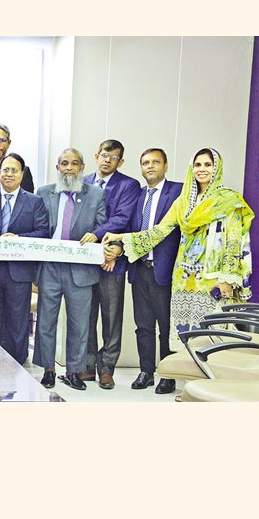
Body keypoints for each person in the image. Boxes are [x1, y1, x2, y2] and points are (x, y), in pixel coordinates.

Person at [103, 147, 254, 389]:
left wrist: (227, 278)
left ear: (217, 168)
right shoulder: (184, 202)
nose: (202, 169)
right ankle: (185, 382)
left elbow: (234, 242)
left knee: (211, 333)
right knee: (185, 332)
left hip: (212, 279)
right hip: (184, 278)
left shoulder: (228, 200)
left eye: (208, 165)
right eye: (198, 165)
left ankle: (211, 387)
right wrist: (122, 239)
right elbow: (160, 231)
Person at [103, 148, 183, 394]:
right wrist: (117, 249)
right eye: (145, 162)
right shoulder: (136, 195)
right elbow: (127, 228)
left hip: (165, 272)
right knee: (144, 326)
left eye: (156, 162)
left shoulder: (178, 192)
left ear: (165, 166)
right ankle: (146, 372)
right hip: (139, 270)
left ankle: (167, 375)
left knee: (166, 328)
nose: (150, 166)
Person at [34, 148, 106, 391]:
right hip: (50, 268)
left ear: (82, 167)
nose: (69, 168)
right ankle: (48, 370)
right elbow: (38, 228)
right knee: (46, 321)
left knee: (79, 324)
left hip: (81, 270)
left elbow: (102, 226)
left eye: (74, 164)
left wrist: (96, 235)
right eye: (64, 163)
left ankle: (74, 371)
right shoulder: (44, 193)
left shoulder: (96, 194)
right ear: (58, 167)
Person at [0, 153, 49, 364]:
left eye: (14, 170)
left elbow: (43, 233)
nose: (9, 174)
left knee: (17, 323)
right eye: (5, 170)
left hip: (19, 273)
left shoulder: (35, 201)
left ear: (22, 174)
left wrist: (19, 239)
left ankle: (17, 365)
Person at [81, 139, 141, 389]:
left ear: (121, 161)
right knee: (85, 316)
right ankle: (86, 366)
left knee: (111, 318)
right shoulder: (82, 181)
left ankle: (106, 369)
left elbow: (122, 218)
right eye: (104, 155)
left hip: (112, 261)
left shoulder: (129, 185)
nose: (107, 160)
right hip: (84, 261)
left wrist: (103, 243)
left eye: (113, 157)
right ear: (96, 156)